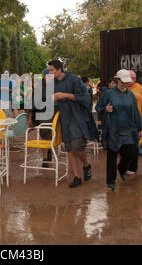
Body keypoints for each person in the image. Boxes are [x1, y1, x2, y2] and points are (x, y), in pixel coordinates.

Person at [47, 60, 98, 188]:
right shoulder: (52, 83)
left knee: (78, 147)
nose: (50, 72)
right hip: (65, 118)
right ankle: (76, 176)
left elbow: (85, 98)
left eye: (52, 70)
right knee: (69, 148)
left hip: (78, 117)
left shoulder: (75, 79)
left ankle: (86, 165)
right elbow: (56, 102)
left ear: (59, 70)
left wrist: (63, 95)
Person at [95, 69, 142, 191]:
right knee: (111, 156)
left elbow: (135, 112)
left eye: (127, 82)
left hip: (129, 128)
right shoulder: (108, 94)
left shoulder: (130, 95)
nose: (125, 84)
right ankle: (110, 182)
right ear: (117, 80)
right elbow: (98, 107)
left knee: (131, 152)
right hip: (113, 129)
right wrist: (106, 109)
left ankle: (122, 169)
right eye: (123, 81)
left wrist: (139, 127)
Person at [28, 69, 54, 167]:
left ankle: (49, 150)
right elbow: (32, 104)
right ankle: (45, 158)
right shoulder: (39, 87)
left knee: (51, 134)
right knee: (44, 134)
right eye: (48, 76)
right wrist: (30, 118)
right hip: (42, 114)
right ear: (44, 76)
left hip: (54, 113)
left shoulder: (55, 85)